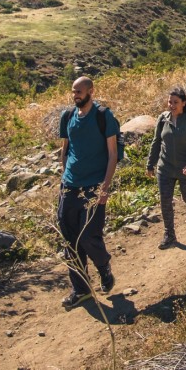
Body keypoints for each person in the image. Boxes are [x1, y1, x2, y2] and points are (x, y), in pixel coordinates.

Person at [56, 75, 119, 310]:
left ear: (91, 91)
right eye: (73, 91)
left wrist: (105, 187)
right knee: (70, 242)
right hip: (70, 187)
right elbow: (65, 150)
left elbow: (112, 154)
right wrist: (64, 178)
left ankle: (104, 267)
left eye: (79, 91)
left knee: (88, 237)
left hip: (94, 186)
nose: (75, 95)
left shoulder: (104, 116)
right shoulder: (68, 116)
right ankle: (81, 289)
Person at [146, 86, 186, 249]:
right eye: (169, 102)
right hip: (165, 168)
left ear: (183, 103)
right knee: (165, 200)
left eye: (175, 102)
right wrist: (150, 164)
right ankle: (169, 234)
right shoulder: (163, 118)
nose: (171, 105)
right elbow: (156, 142)